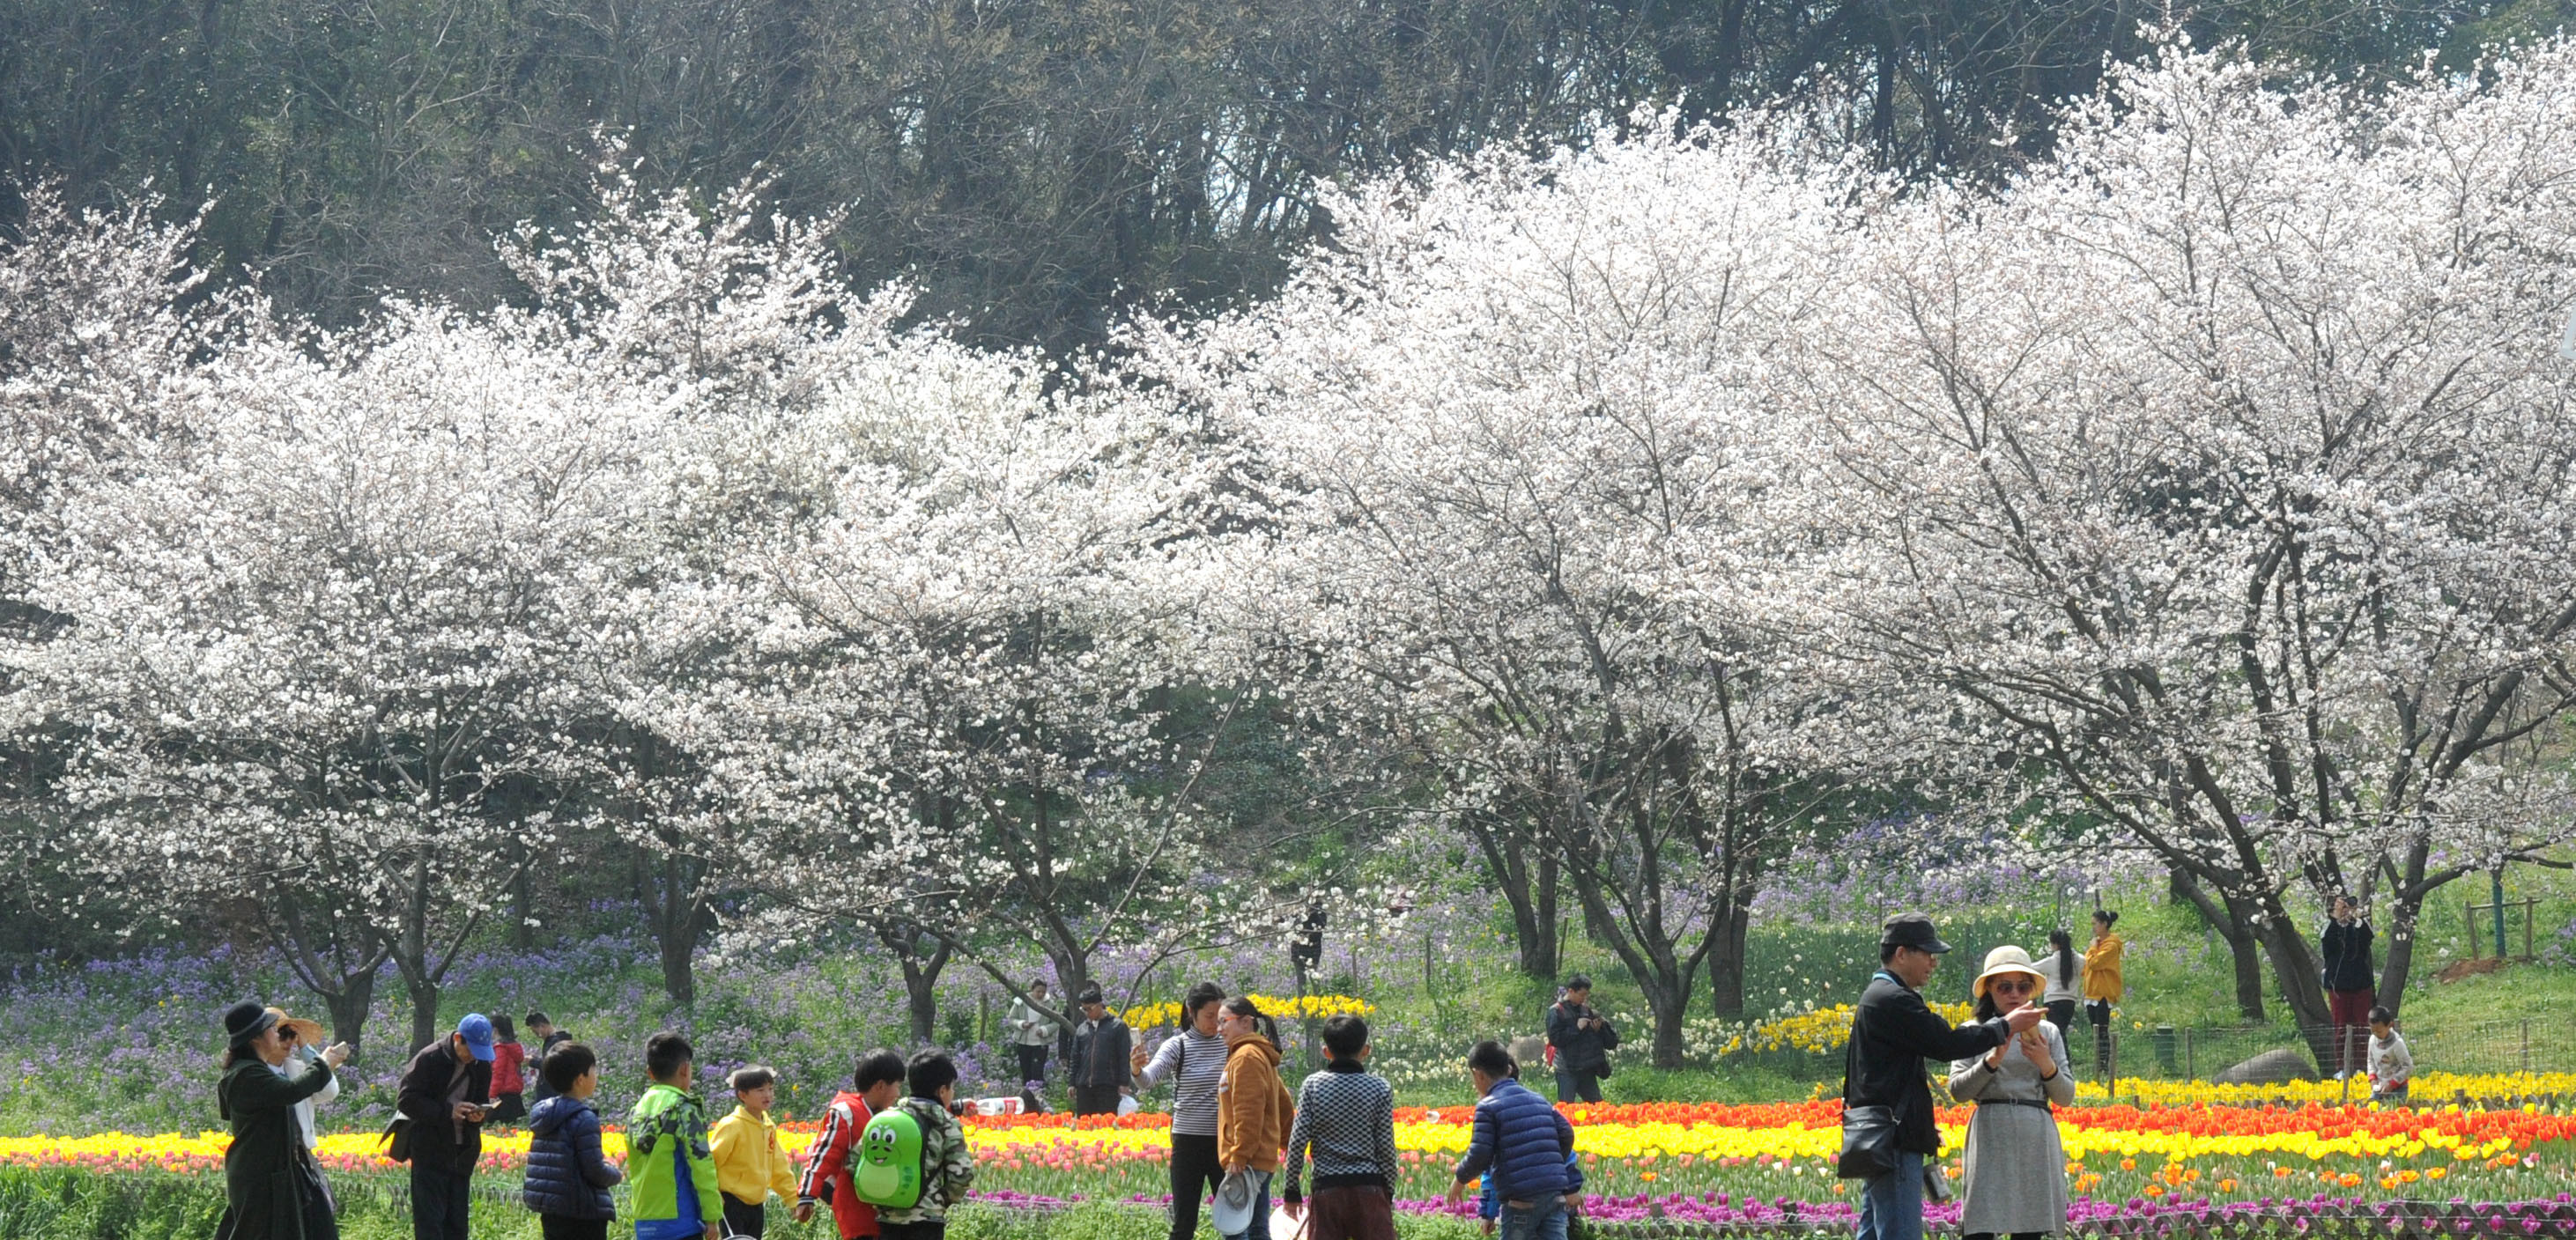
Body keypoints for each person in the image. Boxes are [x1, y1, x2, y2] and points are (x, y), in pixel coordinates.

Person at [1845, 913, 2048, 1240]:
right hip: (1894, 1140)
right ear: (1901, 954)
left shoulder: (1877, 996)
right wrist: (2007, 1026)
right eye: (1926, 953)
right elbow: (1948, 1044)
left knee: (1873, 1232)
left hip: (1884, 1134)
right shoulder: (1893, 1000)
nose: (1932, 963)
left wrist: (1921, 1124)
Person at [1946, 947, 2076, 1240]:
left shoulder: (2048, 1032)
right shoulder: (1974, 1031)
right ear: (1989, 989)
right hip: (1991, 1131)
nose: (2014, 994)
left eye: (2023, 986)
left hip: (2035, 1134)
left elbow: (2065, 1096)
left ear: (2032, 990)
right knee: (1981, 1226)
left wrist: (2046, 1064)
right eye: (2004, 986)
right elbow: (1958, 1091)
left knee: (2030, 1229)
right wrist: (1993, 1057)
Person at [213, 1001, 351, 1240]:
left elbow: (308, 1090)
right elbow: (291, 1092)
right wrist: (323, 1062)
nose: (278, 1035)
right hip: (261, 1176)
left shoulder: (252, 1071)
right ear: (256, 1038)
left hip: (282, 1171)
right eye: (273, 1029)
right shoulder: (247, 1074)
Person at [1440, 1041, 1580, 1240]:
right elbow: (1566, 1133)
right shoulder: (1539, 1099)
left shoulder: (1488, 1107)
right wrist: (1550, 1162)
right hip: (1552, 1194)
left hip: (1521, 1201)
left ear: (1478, 1074)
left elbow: (1480, 1155)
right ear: (1507, 1069)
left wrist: (1460, 1179)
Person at [1281, 1015, 1400, 1240]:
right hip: (1369, 1187)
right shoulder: (1379, 1088)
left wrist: (1291, 1189)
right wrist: (1388, 1190)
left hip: (1328, 1188)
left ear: (1326, 1051)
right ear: (1366, 1050)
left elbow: (1298, 1141)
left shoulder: (1313, 1086)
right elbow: (1386, 1146)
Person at [1132, 981, 1231, 1240]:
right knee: (1184, 1222)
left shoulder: (1231, 1045)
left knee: (1233, 1220)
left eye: (1221, 1017)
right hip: (1188, 1141)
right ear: (1191, 1011)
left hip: (1225, 1142)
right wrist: (1136, 1068)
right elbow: (1148, 1080)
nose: (1215, 1023)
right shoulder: (1178, 1046)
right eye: (1210, 1016)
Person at [397, 1013, 496, 1240]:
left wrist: (478, 1115)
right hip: (430, 1151)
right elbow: (406, 1100)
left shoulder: (481, 1065)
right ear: (458, 1038)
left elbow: (481, 1098)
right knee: (431, 1224)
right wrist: (447, 1112)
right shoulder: (429, 1059)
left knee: (457, 1225)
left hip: (462, 1153)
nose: (473, 1057)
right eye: (470, 1050)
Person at [796, 1049, 907, 1240]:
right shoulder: (845, 1113)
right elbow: (824, 1155)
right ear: (880, 1086)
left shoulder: (886, 1114)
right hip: (856, 1210)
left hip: (882, 1209)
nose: (898, 1093)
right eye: (897, 1086)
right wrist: (807, 1195)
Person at [1215, 996, 1296, 1240]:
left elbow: (1248, 1111)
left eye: (1223, 1022)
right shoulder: (1258, 1054)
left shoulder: (1246, 1057)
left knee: (1235, 1228)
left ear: (1246, 1022)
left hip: (1247, 1160)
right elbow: (1283, 1102)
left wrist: (1240, 1153)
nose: (1219, 1029)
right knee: (1258, 1228)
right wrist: (1285, 1142)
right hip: (1260, 1158)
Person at [874, 1050, 979, 1240]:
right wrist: (939, 1201)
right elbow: (962, 1175)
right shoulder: (947, 1124)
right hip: (927, 1223)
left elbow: (856, 1160)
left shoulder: (890, 1119)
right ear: (942, 1091)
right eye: (952, 1088)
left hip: (888, 1220)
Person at [523, 1042, 623, 1240]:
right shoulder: (584, 1119)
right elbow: (594, 1170)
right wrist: (615, 1174)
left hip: (553, 1211)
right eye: (594, 1071)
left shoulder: (544, 1115)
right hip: (582, 1212)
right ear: (580, 1079)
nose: (597, 1075)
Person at [629, 1031, 722, 1240]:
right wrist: (712, 1216)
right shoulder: (683, 1108)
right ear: (685, 1069)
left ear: (650, 1073)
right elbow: (701, 1166)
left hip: (645, 1218)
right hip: (682, 1220)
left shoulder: (637, 1110)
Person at [713, 1066, 799, 1240]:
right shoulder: (732, 1125)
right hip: (731, 1203)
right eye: (760, 1090)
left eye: (770, 1089)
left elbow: (779, 1168)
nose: (767, 1095)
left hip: (757, 1204)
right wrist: (712, 1196)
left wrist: (793, 1200)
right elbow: (710, 1162)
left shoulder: (768, 1127)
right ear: (742, 1095)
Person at [2321, 897, 2376, 1079]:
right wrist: (2337, 920)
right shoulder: (2329, 928)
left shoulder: (2359, 926)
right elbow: (2327, 945)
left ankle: (2362, 1066)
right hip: (2338, 986)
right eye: (2341, 908)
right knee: (2341, 1028)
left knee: (2362, 1027)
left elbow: (2368, 939)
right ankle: (2341, 1067)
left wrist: (2356, 917)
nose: (2345, 911)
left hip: (2360, 983)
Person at [1543, 976, 1617, 1104]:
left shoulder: (1586, 1010)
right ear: (1571, 991)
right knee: (1566, 1108)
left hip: (1587, 1068)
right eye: (1581, 995)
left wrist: (1598, 1029)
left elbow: (1610, 1041)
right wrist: (1577, 1028)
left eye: (1586, 995)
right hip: (1567, 1069)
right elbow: (1556, 1039)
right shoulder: (1556, 1012)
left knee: (1597, 1107)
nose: (1584, 999)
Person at [1069, 985, 1135, 1117]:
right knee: (1084, 1128)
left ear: (1100, 1005)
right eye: (1084, 1009)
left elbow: (1123, 1057)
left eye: (1090, 1009)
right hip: (1084, 1087)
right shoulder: (1082, 1029)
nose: (1087, 1013)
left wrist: (1124, 1083)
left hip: (1108, 1085)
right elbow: (1075, 1058)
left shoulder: (1117, 1027)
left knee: (1107, 1126)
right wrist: (1072, 1083)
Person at [2081, 911, 2123, 1070]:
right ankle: (2099, 1062)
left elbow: (2095, 963)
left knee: (2102, 1031)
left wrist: (2092, 950)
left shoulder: (2111, 946)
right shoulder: (2097, 944)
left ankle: (2104, 1065)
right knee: (2095, 1031)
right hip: (2092, 992)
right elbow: (2087, 965)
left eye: (2095, 924)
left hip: (2103, 993)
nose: (2093, 928)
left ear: (2105, 924)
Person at [1008, 979, 1061, 1096]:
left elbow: (1056, 1022)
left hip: (1040, 1044)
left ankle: (1039, 1096)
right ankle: (1026, 1098)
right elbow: (1011, 1019)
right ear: (1032, 990)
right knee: (1026, 1073)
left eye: (1043, 992)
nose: (1041, 994)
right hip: (1023, 1042)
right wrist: (1022, 1024)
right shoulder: (1021, 1001)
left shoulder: (1050, 1004)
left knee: (1037, 1073)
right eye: (1038, 991)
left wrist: (1044, 1030)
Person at [2030, 931, 2081, 1037]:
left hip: (2053, 1002)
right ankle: (2062, 1053)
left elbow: (2031, 967)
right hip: (2070, 1002)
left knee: (2057, 1034)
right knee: (2060, 1033)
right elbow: (2086, 962)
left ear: (2056, 945)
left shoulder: (2051, 961)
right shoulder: (2079, 960)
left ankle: (2063, 1053)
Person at [2366, 1007, 2412, 1106]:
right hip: (2379, 1087)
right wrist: (2372, 1078)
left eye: (2379, 1031)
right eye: (2372, 1030)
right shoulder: (2372, 1040)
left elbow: (2408, 1066)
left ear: (2390, 1025)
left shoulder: (2397, 1043)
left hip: (2398, 1088)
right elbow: (2370, 1060)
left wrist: (2392, 1084)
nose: (2375, 1034)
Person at [526, 1012, 574, 1105]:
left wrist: (533, 1061)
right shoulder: (554, 1040)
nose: (537, 1036)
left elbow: (552, 1064)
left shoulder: (556, 1042)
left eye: (536, 1032)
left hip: (552, 1090)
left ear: (542, 1026)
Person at [487, 1015, 529, 1124]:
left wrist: (492, 1095)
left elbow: (498, 1073)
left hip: (502, 1096)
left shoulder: (501, 1048)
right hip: (514, 1096)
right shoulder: (515, 1047)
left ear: (495, 1030)